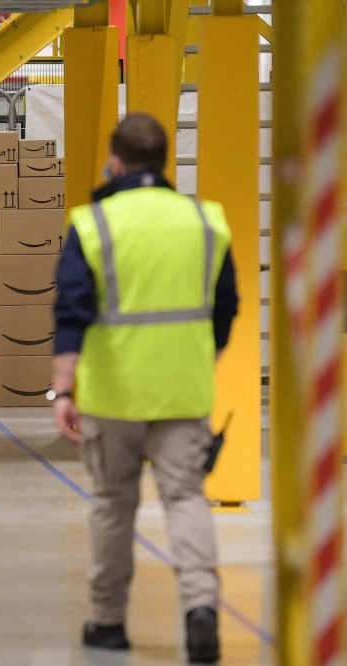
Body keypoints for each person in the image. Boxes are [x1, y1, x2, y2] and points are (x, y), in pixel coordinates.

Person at [51, 113, 239, 664]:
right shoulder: (206, 222)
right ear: (164, 162)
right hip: (183, 390)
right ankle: (201, 609)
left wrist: (63, 390)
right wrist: (203, 358)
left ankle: (108, 622)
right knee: (185, 498)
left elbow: (72, 310)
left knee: (113, 504)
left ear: (115, 161)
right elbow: (225, 307)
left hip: (114, 396)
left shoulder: (94, 224)